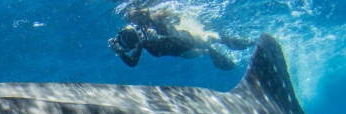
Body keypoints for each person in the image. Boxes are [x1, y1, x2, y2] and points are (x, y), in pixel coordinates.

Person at [108, 8, 255, 70]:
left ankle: (227, 41)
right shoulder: (138, 38)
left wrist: (160, 38)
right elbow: (133, 62)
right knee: (200, 52)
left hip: (184, 38)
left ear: (146, 16)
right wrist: (121, 52)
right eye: (134, 22)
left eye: (140, 19)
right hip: (179, 52)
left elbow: (187, 40)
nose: (139, 24)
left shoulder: (157, 20)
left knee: (207, 40)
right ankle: (209, 52)